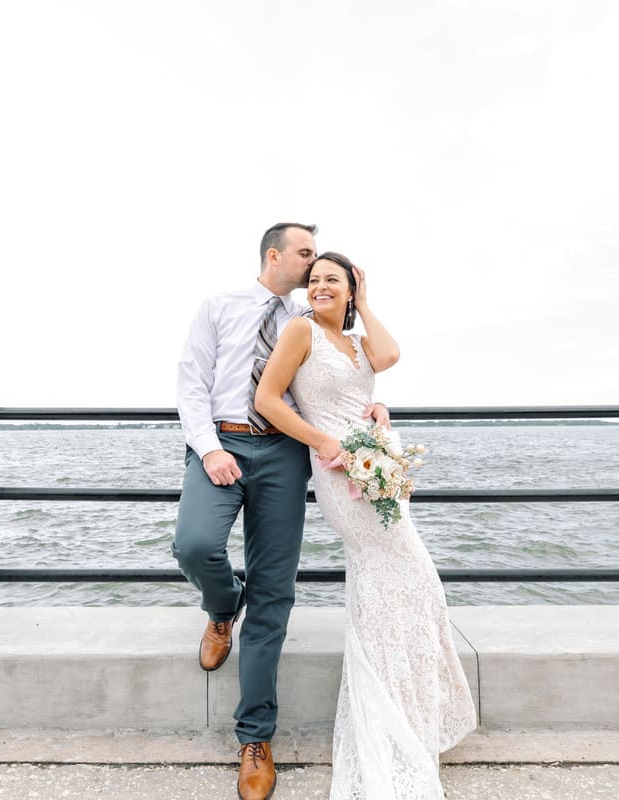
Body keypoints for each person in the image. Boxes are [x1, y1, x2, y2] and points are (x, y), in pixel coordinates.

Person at [174, 224, 390, 800]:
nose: (314, 263)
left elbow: (350, 369)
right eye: (305, 254)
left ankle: (255, 738)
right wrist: (210, 447)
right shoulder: (220, 306)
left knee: (273, 592)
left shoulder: (310, 317)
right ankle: (222, 607)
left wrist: (371, 404)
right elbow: (191, 384)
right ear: (275, 255)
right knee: (194, 545)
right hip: (221, 442)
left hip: (286, 453)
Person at [254, 252, 477, 798]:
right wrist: (323, 441)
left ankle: (412, 706)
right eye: (315, 281)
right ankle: (387, 713)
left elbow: (389, 355)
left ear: (352, 288)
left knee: (409, 581)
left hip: (379, 461)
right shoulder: (299, 331)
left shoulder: (356, 342)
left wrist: (377, 407)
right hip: (337, 470)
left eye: (334, 279)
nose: (321, 287)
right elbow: (266, 400)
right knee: (398, 573)